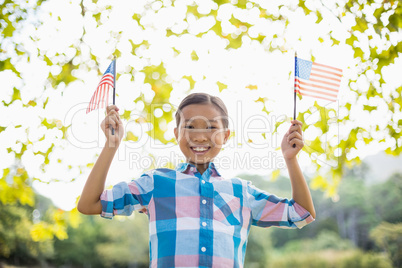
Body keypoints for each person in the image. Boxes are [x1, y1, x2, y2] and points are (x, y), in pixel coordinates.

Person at [77, 93, 316, 268]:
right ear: (176, 133)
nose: (200, 136)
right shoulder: (155, 183)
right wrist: (111, 145)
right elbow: (89, 204)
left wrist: (290, 159)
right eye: (189, 127)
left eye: (211, 127)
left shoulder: (242, 192)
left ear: (226, 136)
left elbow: (302, 213)